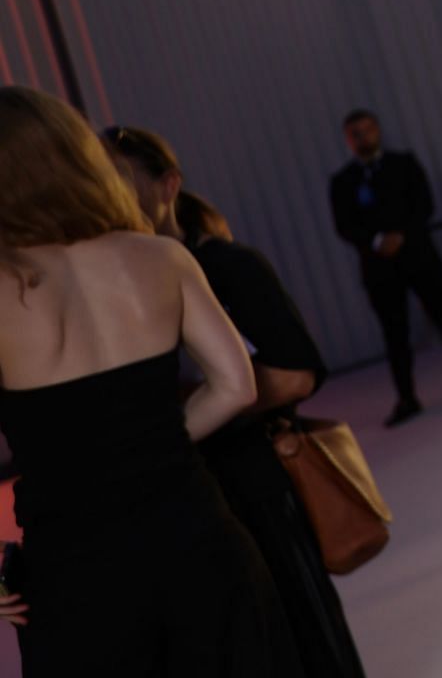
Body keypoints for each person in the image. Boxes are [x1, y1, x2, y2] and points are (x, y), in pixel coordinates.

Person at [0, 86, 296, 675]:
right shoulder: (161, 256)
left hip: (76, 566)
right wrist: (152, 447)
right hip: (199, 536)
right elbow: (238, 386)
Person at [105, 127, 367, 678]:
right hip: (186, 492)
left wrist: (198, 410)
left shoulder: (227, 266)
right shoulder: (119, 283)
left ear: (168, 184)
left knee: (303, 629)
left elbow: (294, 375)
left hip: (254, 478)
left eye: (124, 181)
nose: (112, 197)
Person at [327, 110, 442, 427]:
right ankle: (407, 398)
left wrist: (400, 234)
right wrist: (377, 240)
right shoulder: (343, 182)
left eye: (368, 130)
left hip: (418, 257)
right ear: (348, 139)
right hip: (379, 268)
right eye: (356, 133)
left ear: (378, 130)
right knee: (395, 334)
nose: (363, 137)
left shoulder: (403, 164)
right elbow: (344, 226)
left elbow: (424, 205)